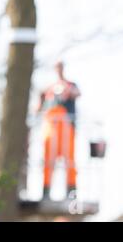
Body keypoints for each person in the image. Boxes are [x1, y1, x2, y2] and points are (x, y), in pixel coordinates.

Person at [37, 61, 81, 200]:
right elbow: (38, 107)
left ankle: (71, 190)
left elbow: (77, 93)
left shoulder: (71, 85)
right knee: (49, 160)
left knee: (69, 160)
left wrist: (67, 91)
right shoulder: (48, 88)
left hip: (67, 127)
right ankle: (46, 191)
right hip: (51, 126)